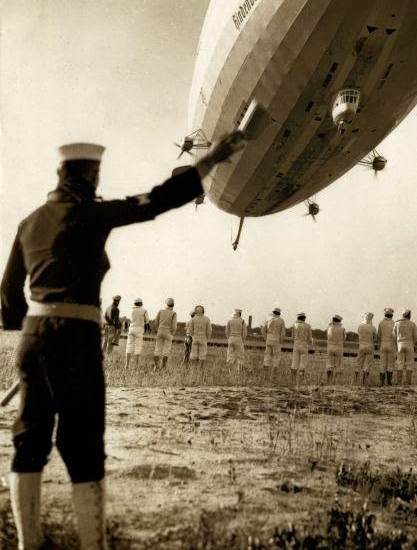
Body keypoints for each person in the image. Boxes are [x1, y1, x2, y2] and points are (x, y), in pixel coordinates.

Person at [0, 134, 243, 550]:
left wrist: (37, 334)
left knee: (30, 439)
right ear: (87, 174)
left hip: (34, 339)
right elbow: (155, 201)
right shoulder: (92, 214)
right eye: (95, 174)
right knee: (83, 441)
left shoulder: (29, 221)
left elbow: (7, 296)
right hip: (78, 340)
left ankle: (28, 544)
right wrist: (212, 159)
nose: (98, 181)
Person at [393, 309, 417, 385]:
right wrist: (413, 343)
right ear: (409, 315)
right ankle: (408, 382)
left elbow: (394, 335)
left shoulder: (397, 323)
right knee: (409, 364)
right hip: (409, 343)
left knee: (400, 363)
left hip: (400, 343)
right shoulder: (412, 324)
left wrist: (396, 343)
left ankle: (398, 381)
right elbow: (415, 336)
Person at [153, 298, 178, 370]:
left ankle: (156, 367)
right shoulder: (174, 313)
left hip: (160, 331)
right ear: (173, 305)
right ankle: (164, 367)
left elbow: (156, 321)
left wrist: (158, 329)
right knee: (166, 350)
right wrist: (172, 333)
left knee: (157, 349)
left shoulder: (160, 311)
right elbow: (174, 326)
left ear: (166, 304)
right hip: (168, 333)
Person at [261, 307, 286, 380]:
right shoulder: (281, 321)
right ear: (279, 313)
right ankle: (274, 376)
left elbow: (262, 330)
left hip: (269, 339)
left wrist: (266, 339)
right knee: (276, 358)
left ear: (273, 312)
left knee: (267, 357)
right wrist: (280, 342)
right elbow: (283, 333)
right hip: (276, 340)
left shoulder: (268, 319)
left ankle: (265, 376)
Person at [187, 305, 213, 375]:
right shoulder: (207, 319)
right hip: (203, 338)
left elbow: (190, 330)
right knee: (202, 355)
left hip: (195, 338)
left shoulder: (193, 319)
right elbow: (209, 330)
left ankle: (193, 371)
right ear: (203, 311)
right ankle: (200, 370)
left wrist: (193, 337)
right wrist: (207, 337)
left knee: (193, 355)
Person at [126, 299, 149, 370]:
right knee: (137, 347)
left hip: (131, 328)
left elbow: (129, 320)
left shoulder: (131, 310)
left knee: (129, 346)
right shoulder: (144, 311)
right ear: (141, 303)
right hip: (139, 329)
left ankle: (127, 364)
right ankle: (135, 366)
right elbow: (147, 321)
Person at [291, 312, 313, 382]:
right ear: (304, 318)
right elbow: (310, 338)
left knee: (294, 363)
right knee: (302, 364)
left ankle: (292, 379)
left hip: (296, 344)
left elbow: (292, 337)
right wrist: (309, 343)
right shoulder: (308, 326)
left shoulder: (294, 325)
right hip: (304, 345)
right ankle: (301, 379)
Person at [355, 312, 376, 385]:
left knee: (358, 363)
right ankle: (364, 381)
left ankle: (355, 380)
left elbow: (359, 334)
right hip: (370, 346)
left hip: (361, 346)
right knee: (367, 365)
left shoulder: (360, 326)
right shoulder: (373, 327)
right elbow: (375, 338)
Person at [377, 308, 396, 386]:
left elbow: (378, 335)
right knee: (390, 364)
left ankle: (381, 382)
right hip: (391, 344)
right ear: (391, 315)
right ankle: (389, 382)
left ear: (385, 314)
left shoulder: (381, 323)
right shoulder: (394, 323)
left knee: (382, 363)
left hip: (383, 343)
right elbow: (395, 335)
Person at [226, 308, 247, 378]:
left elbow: (226, 331)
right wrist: (242, 341)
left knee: (230, 356)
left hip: (231, 338)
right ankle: (239, 374)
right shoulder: (242, 321)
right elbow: (244, 333)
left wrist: (229, 339)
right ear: (240, 313)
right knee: (240, 357)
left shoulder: (230, 320)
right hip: (239, 339)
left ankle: (230, 373)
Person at [325, 315, 345, 383]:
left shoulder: (329, 327)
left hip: (330, 347)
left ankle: (328, 380)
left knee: (329, 364)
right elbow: (344, 338)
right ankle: (336, 381)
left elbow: (327, 336)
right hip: (339, 347)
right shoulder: (342, 329)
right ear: (339, 321)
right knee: (338, 365)